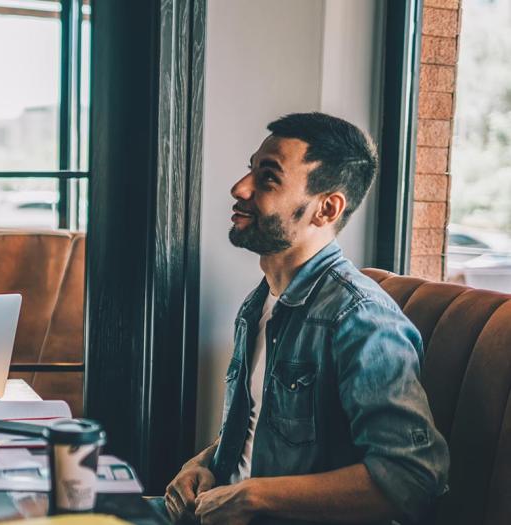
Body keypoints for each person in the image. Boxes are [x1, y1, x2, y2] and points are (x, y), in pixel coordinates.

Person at [163, 113, 449, 525]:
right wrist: (202, 463)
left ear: (326, 208)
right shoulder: (259, 304)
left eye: (268, 178)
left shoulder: (362, 317)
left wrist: (257, 498)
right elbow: (262, 426)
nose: (240, 188)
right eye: (251, 170)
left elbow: (412, 477)